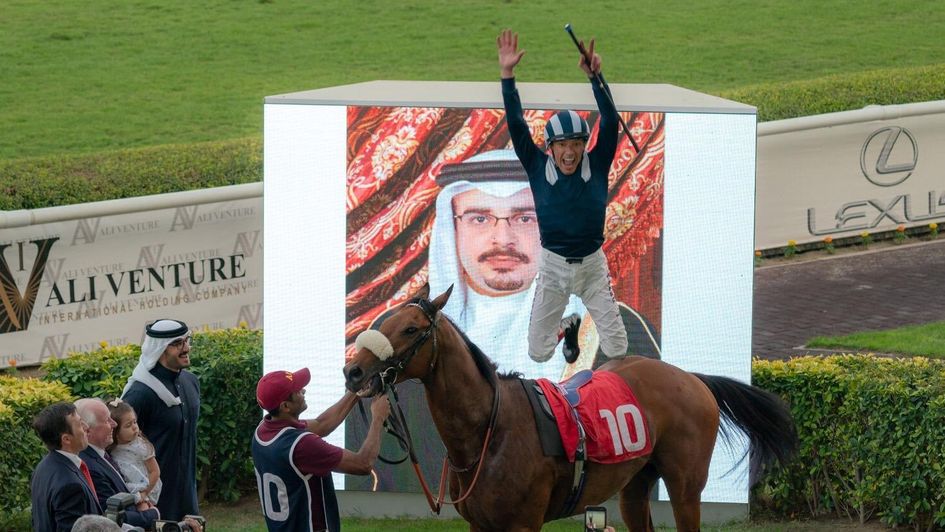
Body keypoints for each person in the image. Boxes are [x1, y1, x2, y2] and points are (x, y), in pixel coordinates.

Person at [497, 29, 631, 364]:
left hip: (592, 269)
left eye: (575, 144)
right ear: (551, 148)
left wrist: (596, 76)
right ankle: (566, 329)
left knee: (618, 349)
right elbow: (516, 123)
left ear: (584, 145)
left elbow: (611, 118)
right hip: (553, 268)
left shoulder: (598, 164)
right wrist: (507, 75)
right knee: (538, 353)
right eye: (562, 146)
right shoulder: (537, 165)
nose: (569, 153)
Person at [428, 149, 590, 380]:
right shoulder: (401, 335)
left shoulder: (609, 329)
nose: (503, 239)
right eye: (480, 219)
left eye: (525, 219)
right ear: (452, 231)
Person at [252, 367, 390, 532]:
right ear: (285, 406)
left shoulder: (263, 431)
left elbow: (322, 424)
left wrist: (356, 390)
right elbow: (363, 463)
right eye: (297, 390)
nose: (303, 389)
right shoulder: (302, 445)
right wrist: (378, 418)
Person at [121, 318, 200, 522]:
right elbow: (122, 451)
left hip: (188, 496)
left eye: (187, 340)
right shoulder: (139, 394)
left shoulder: (191, 382)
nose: (186, 348)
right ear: (160, 349)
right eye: (178, 343)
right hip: (154, 502)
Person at [75, 398, 159, 530]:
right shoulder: (90, 467)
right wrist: (152, 514)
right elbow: (111, 516)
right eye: (107, 421)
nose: (114, 424)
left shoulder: (101, 453)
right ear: (88, 430)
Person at [30, 401, 100, 532]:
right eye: (80, 424)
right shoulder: (70, 486)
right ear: (66, 439)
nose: (86, 427)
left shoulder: (42, 468)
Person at [106, 398, 162, 508]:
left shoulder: (140, 446)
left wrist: (145, 492)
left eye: (135, 422)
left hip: (146, 487)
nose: (134, 427)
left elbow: (155, 471)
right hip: (127, 489)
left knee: (144, 510)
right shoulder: (111, 448)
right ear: (115, 432)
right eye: (128, 425)